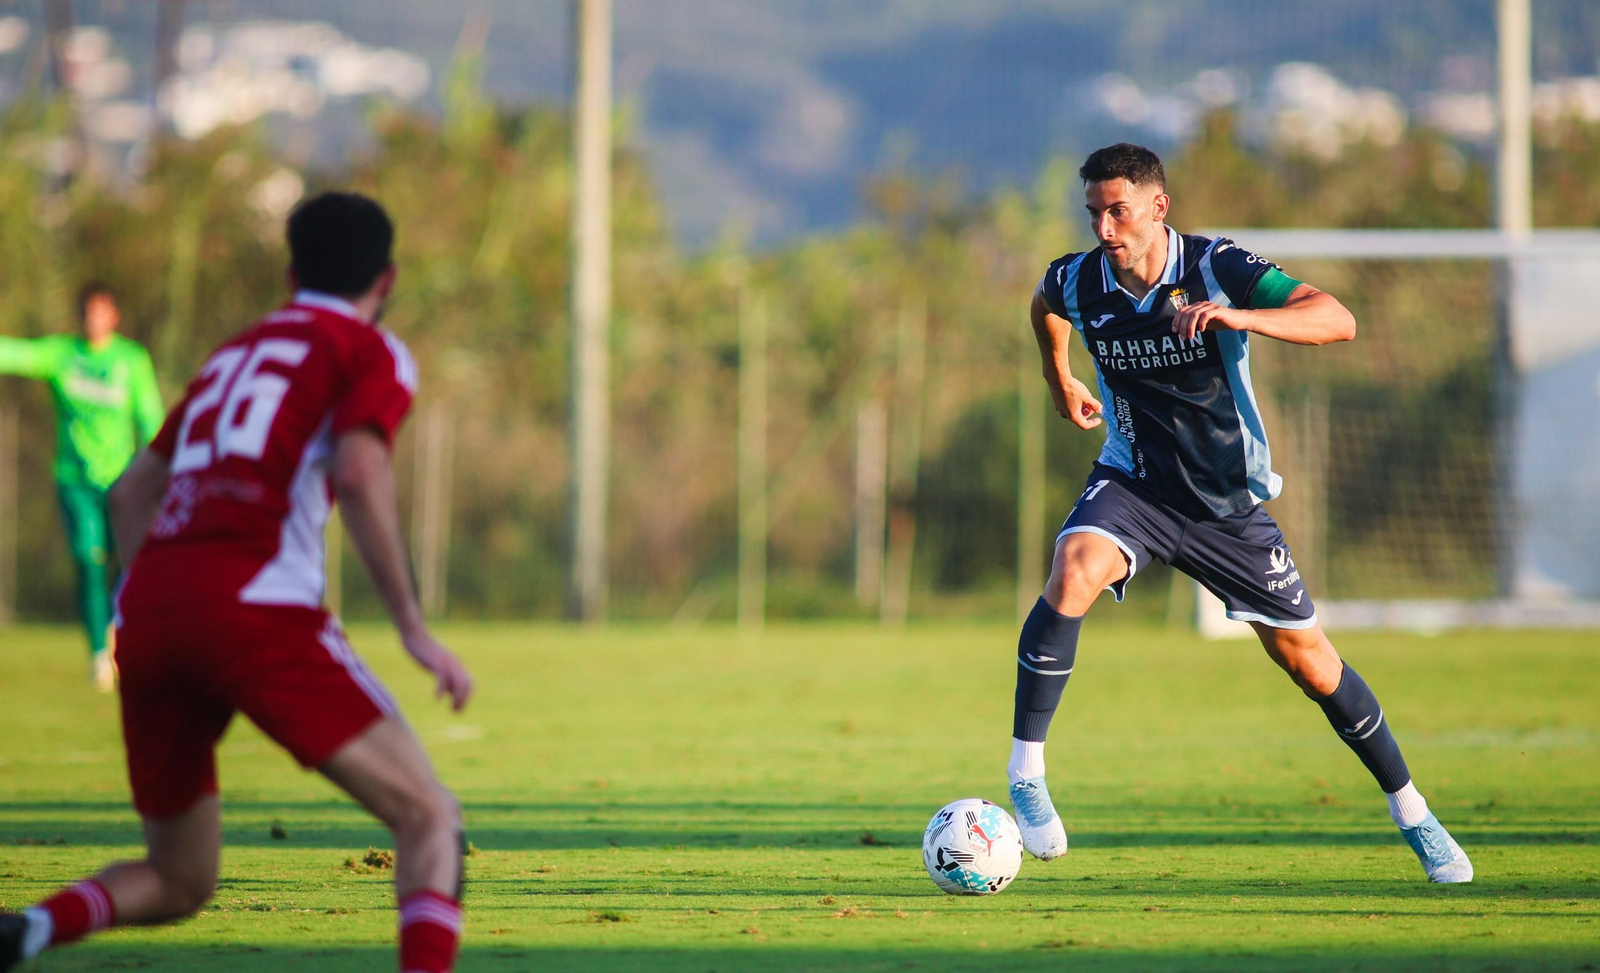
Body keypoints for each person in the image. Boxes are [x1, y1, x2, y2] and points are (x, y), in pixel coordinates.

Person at [0, 192, 476, 973]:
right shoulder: (368, 348)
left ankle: (26, 931)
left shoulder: (232, 356)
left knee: (180, 876)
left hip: (151, 612)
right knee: (430, 817)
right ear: (387, 280)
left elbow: (129, 496)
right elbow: (359, 469)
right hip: (257, 609)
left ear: (291, 274)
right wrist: (413, 626)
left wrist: (133, 612)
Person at [1006, 143, 1471, 883]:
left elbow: (1337, 319)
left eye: (1117, 211)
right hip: (1136, 485)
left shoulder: (1215, 265)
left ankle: (1414, 811)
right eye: (1093, 212)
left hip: (1228, 507)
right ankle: (1026, 770)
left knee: (1311, 664)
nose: (1104, 228)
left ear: (1158, 206)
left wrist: (1238, 317)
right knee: (1073, 568)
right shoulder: (1079, 277)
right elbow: (1044, 303)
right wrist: (1057, 375)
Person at [0, 285, 164, 690]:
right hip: (75, 482)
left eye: (102, 312)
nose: (94, 320)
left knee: (129, 563)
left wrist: (161, 466)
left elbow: (151, 416)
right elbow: (15, 354)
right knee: (89, 561)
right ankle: (98, 657)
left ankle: (117, 631)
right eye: (88, 312)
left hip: (123, 483)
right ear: (81, 316)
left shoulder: (130, 360)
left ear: (114, 316)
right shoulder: (63, 356)